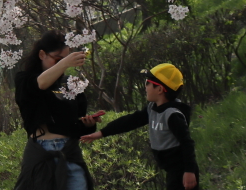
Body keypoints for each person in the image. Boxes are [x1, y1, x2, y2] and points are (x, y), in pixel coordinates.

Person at [81, 63, 199, 190]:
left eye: (148, 83)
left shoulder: (172, 115)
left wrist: (189, 171)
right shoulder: (153, 109)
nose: (145, 87)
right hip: (172, 169)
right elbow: (131, 121)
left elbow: (187, 143)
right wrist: (102, 133)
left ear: (159, 89)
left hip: (182, 170)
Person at [13, 31, 102, 190]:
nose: (63, 64)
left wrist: (88, 124)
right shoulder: (24, 79)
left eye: (66, 60)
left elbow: (77, 124)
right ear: (42, 54)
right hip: (41, 153)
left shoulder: (71, 84)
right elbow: (40, 84)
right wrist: (65, 63)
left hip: (69, 151)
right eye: (57, 59)